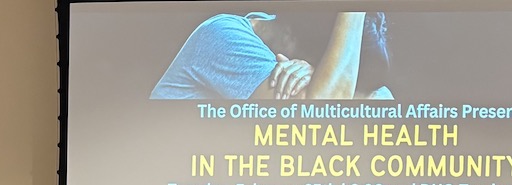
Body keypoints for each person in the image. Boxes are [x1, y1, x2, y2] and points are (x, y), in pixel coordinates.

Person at [152, 12, 392, 101]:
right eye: (332, 75)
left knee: (378, 97)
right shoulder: (221, 35)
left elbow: (381, 98)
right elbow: (320, 117)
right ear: (292, 39)